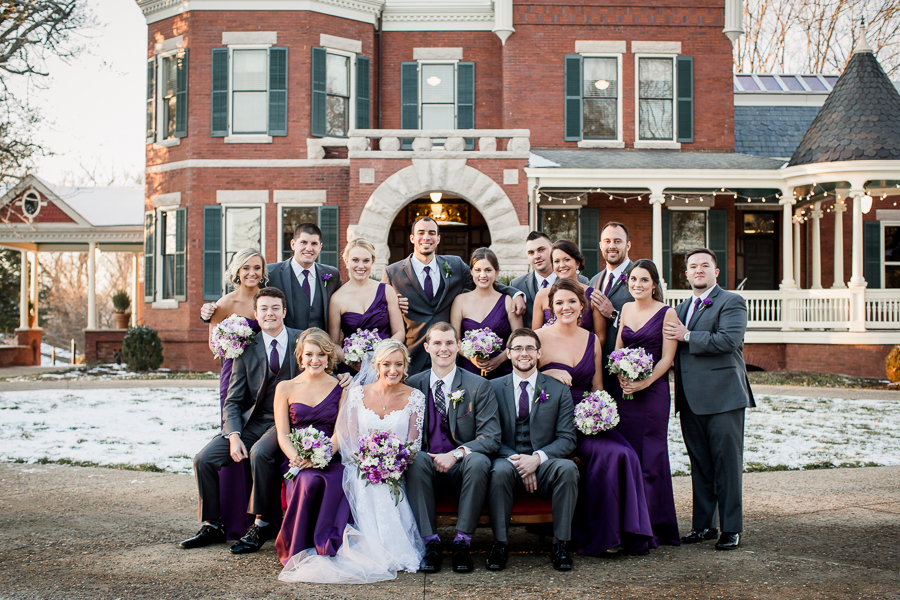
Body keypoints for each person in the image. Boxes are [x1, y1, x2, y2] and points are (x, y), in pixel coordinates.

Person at [278, 340, 426, 583]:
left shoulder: (415, 397)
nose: (393, 370)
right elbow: (351, 438)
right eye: (386, 364)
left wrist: (391, 463)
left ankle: (390, 546)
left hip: (397, 468)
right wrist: (370, 463)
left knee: (383, 486)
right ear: (376, 366)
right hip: (361, 465)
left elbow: (413, 444)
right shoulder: (357, 394)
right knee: (359, 481)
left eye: (398, 364)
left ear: (405, 366)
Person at [181, 287, 301, 554]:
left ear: (285, 311)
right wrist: (234, 435)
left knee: (260, 453)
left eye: (275, 308)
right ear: (256, 315)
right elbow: (233, 401)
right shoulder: (246, 349)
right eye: (264, 309)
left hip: (290, 422)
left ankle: (262, 523)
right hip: (253, 423)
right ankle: (213, 525)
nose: (270, 313)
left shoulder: (301, 341)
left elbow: (323, 372)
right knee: (204, 459)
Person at [537, 278, 653, 555]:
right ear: (551, 307)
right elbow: (520, 378)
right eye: (559, 302)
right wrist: (547, 374)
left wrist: (600, 413)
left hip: (587, 418)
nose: (566, 307)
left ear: (582, 306)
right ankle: (599, 536)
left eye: (572, 301)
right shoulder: (538, 337)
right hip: (553, 422)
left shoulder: (592, 340)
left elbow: (597, 389)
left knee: (624, 454)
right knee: (607, 455)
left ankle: (622, 532)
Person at [664, 248, 755, 551]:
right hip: (690, 400)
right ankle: (704, 524)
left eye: (705, 265)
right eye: (693, 266)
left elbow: (729, 340)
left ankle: (731, 528)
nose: (698, 270)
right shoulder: (679, 308)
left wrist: (688, 336)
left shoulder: (732, 302)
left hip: (723, 398)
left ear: (716, 272)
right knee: (700, 464)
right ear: (686, 274)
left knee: (726, 465)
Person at [406, 322, 501, 573]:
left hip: (463, 469)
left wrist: (456, 454)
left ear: (459, 347)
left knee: (479, 460)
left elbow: (491, 437)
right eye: (437, 343)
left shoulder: (478, 385)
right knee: (414, 460)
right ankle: (431, 544)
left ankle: (462, 543)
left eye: (449, 343)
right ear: (426, 347)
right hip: (426, 466)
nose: (443, 349)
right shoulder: (413, 385)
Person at [486, 327, 579, 572]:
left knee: (568, 469)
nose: (523, 353)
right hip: (507, 459)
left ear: (539, 353)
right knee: (498, 472)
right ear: (508, 353)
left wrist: (536, 459)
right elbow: (489, 436)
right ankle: (500, 544)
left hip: (546, 462)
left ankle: (560, 544)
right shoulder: (492, 388)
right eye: (517, 348)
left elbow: (568, 438)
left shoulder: (558, 389)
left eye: (529, 348)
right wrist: (521, 462)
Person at [382, 216, 526, 372]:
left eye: (431, 233)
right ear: (412, 238)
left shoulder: (455, 265)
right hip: (413, 357)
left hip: (450, 358)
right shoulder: (392, 273)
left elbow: (483, 281)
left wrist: (514, 292)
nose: (426, 237)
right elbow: (381, 317)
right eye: (421, 232)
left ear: (438, 238)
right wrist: (391, 303)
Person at [613, 259, 681, 549]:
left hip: (652, 394)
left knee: (650, 458)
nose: (637, 285)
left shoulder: (667, 313)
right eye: (633, 280)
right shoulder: (626, 309)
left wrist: (644, 382)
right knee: (627, 456)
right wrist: (619, 374)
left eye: (643, 280)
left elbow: (668, 358)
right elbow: (618, 348)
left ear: (654, 284)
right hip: (625, 392)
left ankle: (652, 527)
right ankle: (628, 524)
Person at [204, 248, 266, 541]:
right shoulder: (225, 303)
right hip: (233, 376)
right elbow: (214, 346)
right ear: (237, 272)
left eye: (257, 267)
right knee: (233, 436)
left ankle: (257, 516)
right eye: (246, 268)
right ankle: (229, 519)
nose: (252, 273)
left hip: (264, 377)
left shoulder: (267, 301)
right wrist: (233, 344)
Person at [273, 328, 350, 565]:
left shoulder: (342, 387)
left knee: (334, 478)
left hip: (331, 455)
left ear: (329, 357)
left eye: (321, 355)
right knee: (307, 480)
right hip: (296, 459)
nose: (315, 360)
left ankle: (327, 544)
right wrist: (296, 457)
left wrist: (323, 455)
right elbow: (283, 434)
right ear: (300, 356)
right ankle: (299, 544)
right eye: (309, 354)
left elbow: (341, 430)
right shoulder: (285, 387)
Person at [200, 223, 342, 331]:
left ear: (320, 247)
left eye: (314, 244)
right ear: (293, 244)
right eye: (303, 242)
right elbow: (245, 294)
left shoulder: (331, 274)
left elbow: (342, 305)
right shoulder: (270, 272)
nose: (309, 248)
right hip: (284, 355)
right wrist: (212, 308)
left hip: (321, 355)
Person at [328, 238, 405, 373]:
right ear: (346, 261)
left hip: (385, 366)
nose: (361, 266)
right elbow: (334, 343)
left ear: (372, 262)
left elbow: (399, 332)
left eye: (366, 261)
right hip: (352, 370)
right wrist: (350, 360)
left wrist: (381, 357)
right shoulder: (336, 299)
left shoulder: (387, 291)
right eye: (355, 260)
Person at [451, 248, 523, 379]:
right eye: (478, 270)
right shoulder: (459, 301)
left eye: (488, 270)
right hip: (469, 371)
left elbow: (519, 338)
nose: (482, 275)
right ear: (471, 272)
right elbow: (455, 339)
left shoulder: (507, 301)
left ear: (496, 272)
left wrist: (499, 360)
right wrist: (471, 358)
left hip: (503, 371)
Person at [588, 222, 636, 392]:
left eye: (617, 241)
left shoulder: (640, 277)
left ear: (628, 245)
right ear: (601, 245)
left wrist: (614, 315)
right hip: (599, 369)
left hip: (629, 370)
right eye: (607, 241)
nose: (612, 246)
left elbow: (651, 321)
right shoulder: (594, 281)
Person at [510, 231, 588, 327]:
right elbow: (493, 286)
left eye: (541, 250)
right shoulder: (516, 286)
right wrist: (516, 294)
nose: (536, 256)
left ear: (552, 248)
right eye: (531, 253)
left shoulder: (581, 282)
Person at [531, 239, 606, 338]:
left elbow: (600, 338)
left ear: (577, 262)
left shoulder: (593, 295)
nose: (562, 265)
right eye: (557, 261)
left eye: (566, 259)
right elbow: (534, 336)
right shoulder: (542, 296)